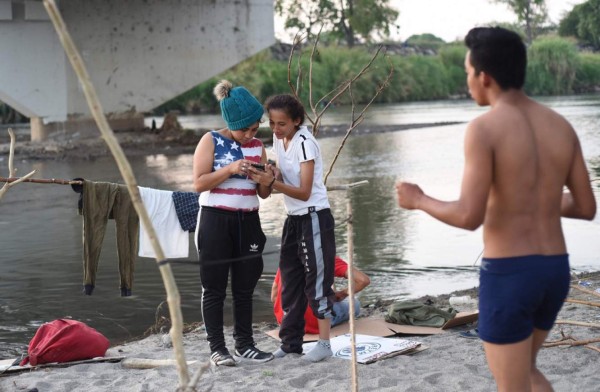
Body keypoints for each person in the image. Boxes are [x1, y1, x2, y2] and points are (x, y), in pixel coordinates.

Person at [396, 27, 596, 392]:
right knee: (526, 373)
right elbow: (586, 207)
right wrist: (536, 198)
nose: (467, 80)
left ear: (484, 76)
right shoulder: (560, 125)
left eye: (467, 72)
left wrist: (419, 199)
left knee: (511, 383)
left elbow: (469, 216)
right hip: (554, 269)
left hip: (511, 274)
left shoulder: (484, 129)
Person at [247, 93, 337, 362]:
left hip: (314, 217)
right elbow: (286, 176)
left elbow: (305, 191)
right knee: (290, 282)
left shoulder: (305, 143)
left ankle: (324, 344)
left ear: (297, 121)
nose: (275, 129)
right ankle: (290, 344)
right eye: (272, 123)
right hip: (293, 220)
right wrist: (272, 172)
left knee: (317, 284)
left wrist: (272, 182)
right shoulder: (278, 139)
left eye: (282, 124)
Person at [192, 80, 274, 366]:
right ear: (231, 122)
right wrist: (229, 169)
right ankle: (217, 348)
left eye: (255, 128)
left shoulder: (257, 146)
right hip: (216, 220)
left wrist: (267, 180)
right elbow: (199, 184)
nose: (250, 135)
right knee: (213, 288)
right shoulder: (210, 140)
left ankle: (245, 344)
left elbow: (263, 194)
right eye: (244, 129)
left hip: (248, 220)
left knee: (244, 287)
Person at [271, 256, 371, 334]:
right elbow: (363, 281)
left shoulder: (288, 257)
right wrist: (343, 293)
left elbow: (274, 296)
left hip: (284, 320)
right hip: (313, 323)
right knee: (355, 303)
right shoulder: (327, 257)